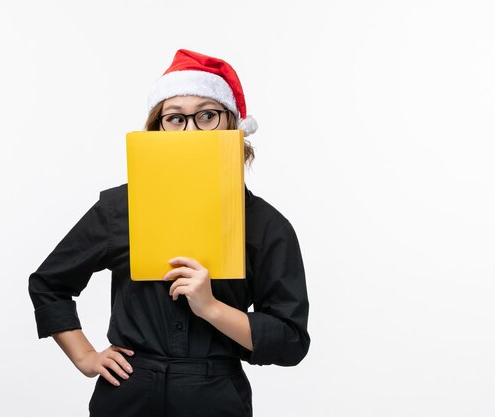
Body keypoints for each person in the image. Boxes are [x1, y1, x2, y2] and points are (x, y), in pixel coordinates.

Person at [28, 49, 310, 417]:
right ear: (157, 131)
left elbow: (290, 341)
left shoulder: (267, 226)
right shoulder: (120, 208)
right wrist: (84, 356)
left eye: (207, 115)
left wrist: (210, 307)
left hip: (214, 397)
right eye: (175, 118)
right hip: (127, 394)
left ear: (233, 126)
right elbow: (49, 284)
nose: (191, 130)